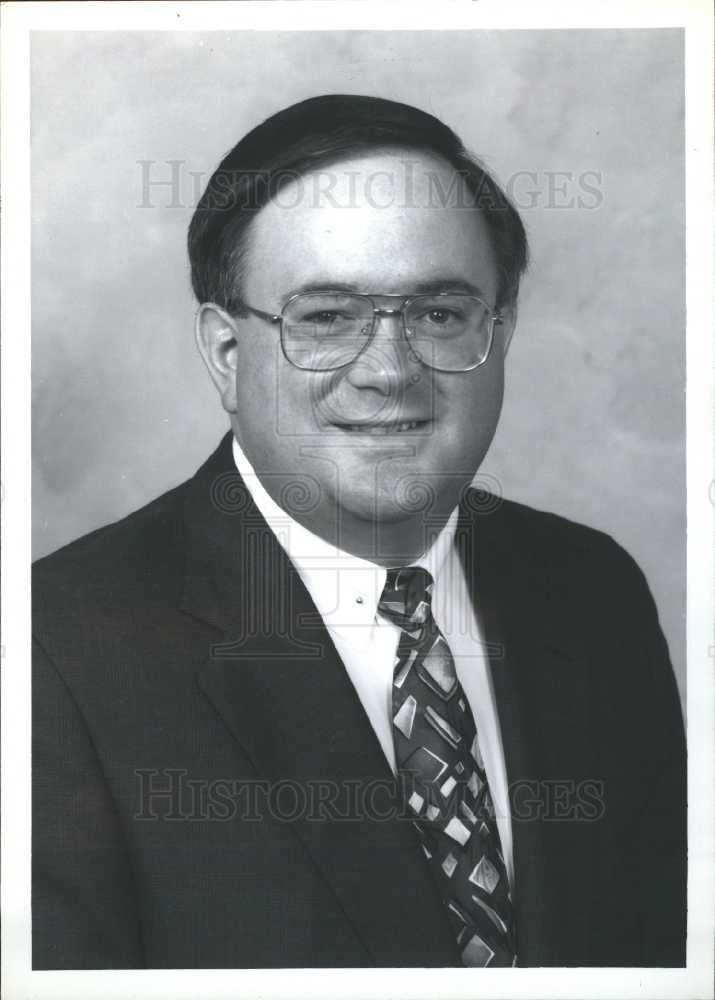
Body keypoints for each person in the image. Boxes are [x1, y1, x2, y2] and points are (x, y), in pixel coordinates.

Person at [32, 94, 686, 970]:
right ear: (228, 355)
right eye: (326, 318)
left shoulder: (591, 588)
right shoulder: (52, 650)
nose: (387, 371)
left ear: (500, 330)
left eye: (439, 314)